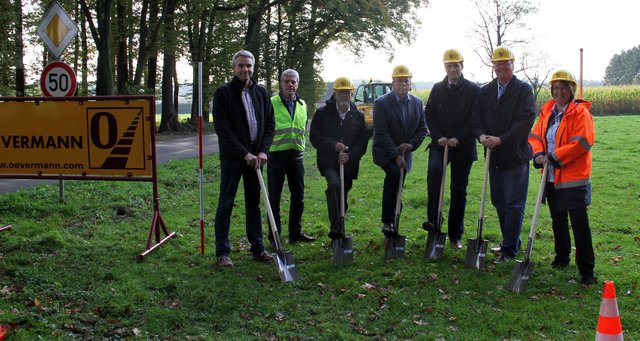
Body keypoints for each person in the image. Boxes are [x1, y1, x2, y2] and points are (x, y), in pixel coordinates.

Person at [528, 69, 596, 285]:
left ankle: (587, 271)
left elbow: (582, 142)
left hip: (573, 177)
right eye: (555, 88)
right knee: (557, 220)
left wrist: (554, 157)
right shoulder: (547, 112)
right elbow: (535, 136)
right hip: (550, 176)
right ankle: (561, 257)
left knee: (579, 224)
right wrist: (538, 155)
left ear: (571, 90)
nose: (559, 92)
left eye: (563, 88)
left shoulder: (580, 113)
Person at [470, 46, 536, 263]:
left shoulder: (523, 90)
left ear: (512, 65)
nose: (501, 68)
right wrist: (481, 136)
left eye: (505, 63)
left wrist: (502, 139)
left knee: (514, 203)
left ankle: (508, 250)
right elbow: (476, 118)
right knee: (499, 201)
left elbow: (525, 121)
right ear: (493, 67)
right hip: (493, 157)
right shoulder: (485, 91)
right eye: (497, 64)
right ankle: (511, 241)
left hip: (515, 156)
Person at [212, 50, 275, 267]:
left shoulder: (262, 93)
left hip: (256, 160)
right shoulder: (223, 94)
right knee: (226, 204)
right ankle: (222, 252)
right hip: (233, 159)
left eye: (248, 65)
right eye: (240, 65)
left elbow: (269, 125)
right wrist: (244, 153)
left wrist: (263, 151)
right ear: (233, 68)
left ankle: (257, 248)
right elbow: (223, 128)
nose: (244, 69)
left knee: (254, 205)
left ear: (253, 67)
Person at [423, 49, 481, 249]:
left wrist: (459, 137)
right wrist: (439, 136)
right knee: (434, 175)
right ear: (444, 67)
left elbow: (476, 118)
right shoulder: (437, 88)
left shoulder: (473, 89)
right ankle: (433, 222)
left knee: (458, 190)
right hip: (440, 145)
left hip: (463, 147)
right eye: (449, 65)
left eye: (456, 65)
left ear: (462, 66)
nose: (453, 69)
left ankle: (455, 234)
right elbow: (429, 114)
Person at [372, 65, 429, 235]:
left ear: (410, 83)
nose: (403, 84)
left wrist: (411, 144)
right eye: (399, 81)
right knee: (394, 174)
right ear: (392, 83)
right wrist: (396, 155)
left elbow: (422, 129)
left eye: (406, 81)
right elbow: (381, 132)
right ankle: (388, 220)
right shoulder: (381, 103)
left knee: (398, 181)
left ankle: (394, 219)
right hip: (384, 150)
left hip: (405, 153)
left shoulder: (417, 103)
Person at [309, 77, 369, 239]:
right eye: (341, 92)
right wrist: (333, 145)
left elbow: (363, 142)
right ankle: (336, 228)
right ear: (334, 94)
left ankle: (339, 225)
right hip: (328, 161)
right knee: (334, 185)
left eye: (347, 93)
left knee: (341, 196)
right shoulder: (322, 113)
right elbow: (315, 136)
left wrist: (350, 155)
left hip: (349, 165)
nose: (344, 96)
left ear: (351, 94)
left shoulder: (358, 115)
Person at [267, 69, 316, 244]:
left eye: (293, 82)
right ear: (280, 83)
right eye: (286, 81)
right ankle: (274, 235)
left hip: (296, 156)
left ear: (297, 84)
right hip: (275, 156)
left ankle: (295, 233)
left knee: (298, 197)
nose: (290, 85)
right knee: (274, 198)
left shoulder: (303, 105)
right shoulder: (271, 103)